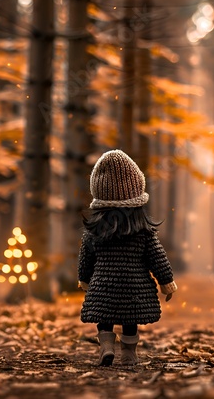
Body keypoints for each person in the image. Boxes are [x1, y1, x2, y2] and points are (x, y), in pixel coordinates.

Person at [77, 149, 178, 366]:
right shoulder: (143, 231)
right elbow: (156, 257)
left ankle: (106, 346)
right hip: (134, 285)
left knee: (104, 316)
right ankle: (129, 353)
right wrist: (166, 282)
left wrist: (85, 280)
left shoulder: (95, 231)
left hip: (104, 284)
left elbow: (86, 258)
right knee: (130, 318)